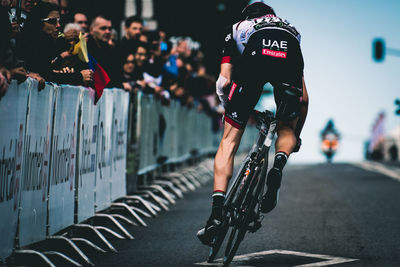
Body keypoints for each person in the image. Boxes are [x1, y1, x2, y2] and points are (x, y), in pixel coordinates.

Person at [197, 1, 309, 246]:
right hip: (289, 58)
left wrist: (232, 107)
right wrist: (295, 136)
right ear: (272, 16)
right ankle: (278, 164)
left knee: (228, 142)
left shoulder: (239, 27)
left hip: (255, 61)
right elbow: (303, 99)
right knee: (286, 128)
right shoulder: (290, 28)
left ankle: (215, 216)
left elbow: (223, 82)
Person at [87, 15, 122, 88]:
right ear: (91, 30)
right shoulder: (85, 49)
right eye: (103, 28)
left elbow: (116, 76)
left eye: (110, 28)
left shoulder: (113, 51)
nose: (108, 32)